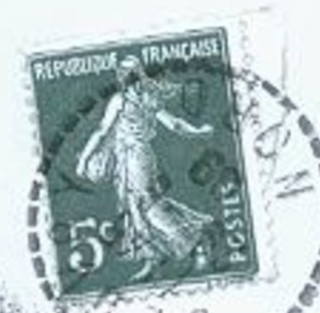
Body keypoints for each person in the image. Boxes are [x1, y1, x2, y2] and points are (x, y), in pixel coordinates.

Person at [76, 54, 222, 279]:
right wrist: (198, 131)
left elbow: (101, 131)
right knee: (136, 208)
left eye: (125, 73)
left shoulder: (121, 100)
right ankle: (152, 259)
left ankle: (191, 238)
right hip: (136, 158)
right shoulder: (147, 98)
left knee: (144, 205)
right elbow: (175, 125)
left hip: (133, 159)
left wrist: (84, 159)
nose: (123, 77)